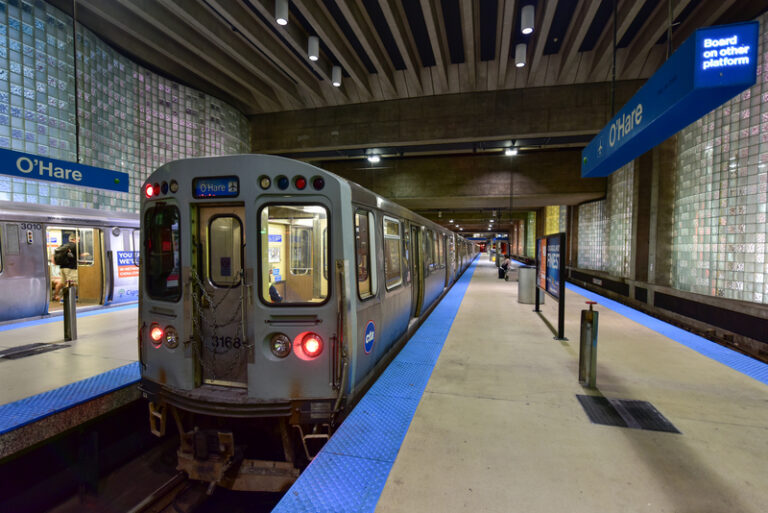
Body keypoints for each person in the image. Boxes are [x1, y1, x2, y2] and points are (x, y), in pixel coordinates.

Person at [53, 234, 79, 300]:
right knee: (71, 282)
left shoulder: (63, 245)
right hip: (70, 268)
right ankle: (67, 298)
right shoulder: (74, 246)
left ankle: (56, 296)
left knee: (62, 282)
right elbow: (78, 256)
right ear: (74, 239)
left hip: (62, 267)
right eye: (78, 239)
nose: (78, 241)